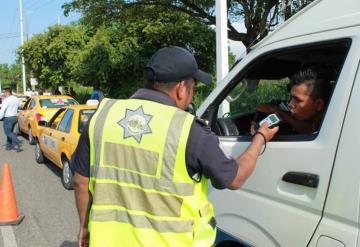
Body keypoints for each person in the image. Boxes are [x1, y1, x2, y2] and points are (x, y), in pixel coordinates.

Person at [71, 46, 278, 247]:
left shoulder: (103, 116)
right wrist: (260, 137)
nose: (190, 95)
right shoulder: (190, 131)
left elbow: (81, 181)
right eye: (193, 88)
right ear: (181, 88)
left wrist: (84, 226)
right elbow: (235, 178)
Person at [254, 66, 332, 134]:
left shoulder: (330, 124)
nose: (290, 104)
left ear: (319, 104)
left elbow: (309, 130)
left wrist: (278, 112)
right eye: (291, 98)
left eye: (297, 100)